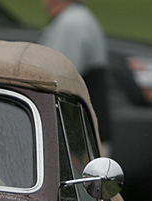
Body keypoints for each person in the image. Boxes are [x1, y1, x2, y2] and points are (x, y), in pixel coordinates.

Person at [39, 0, 111, 145]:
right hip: (85, 133)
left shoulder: (71, 23)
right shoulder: (78, 17)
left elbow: (55, 80)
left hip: (80, 139)